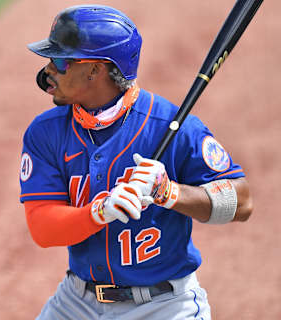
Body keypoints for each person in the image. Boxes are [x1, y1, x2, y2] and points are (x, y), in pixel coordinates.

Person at [19, 5, 252, 320]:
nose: (48, 69)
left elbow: (242, 203)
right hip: (77, 302)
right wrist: (99, 211)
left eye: (61, 60)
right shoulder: (46, 131)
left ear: (96, 70)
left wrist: (169, 193)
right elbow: (43, 228)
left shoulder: (170, 126)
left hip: (165, 306)